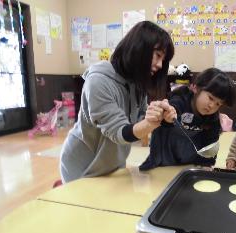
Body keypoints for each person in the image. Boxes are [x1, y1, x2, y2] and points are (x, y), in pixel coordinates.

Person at [60, 21, 176, 183]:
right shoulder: (98, 81)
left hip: (113, 164)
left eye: (163, 59)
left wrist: (161, 117)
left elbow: (139, 122)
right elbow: (118, 132)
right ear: (138, 48)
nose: (159, 64)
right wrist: (151, 122)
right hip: (82, 165)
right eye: (157, 55)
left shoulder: (137, 83)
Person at [139, 68, 236, 171]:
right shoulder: (180, 100)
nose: (212, 106)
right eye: (210, 98)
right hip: (164, 159)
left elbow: (210, 145)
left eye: (218, 104)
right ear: (195, 88)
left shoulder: (213, 119)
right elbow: (170, 111)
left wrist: (207, 164)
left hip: (190, 163)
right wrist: (167, 117)